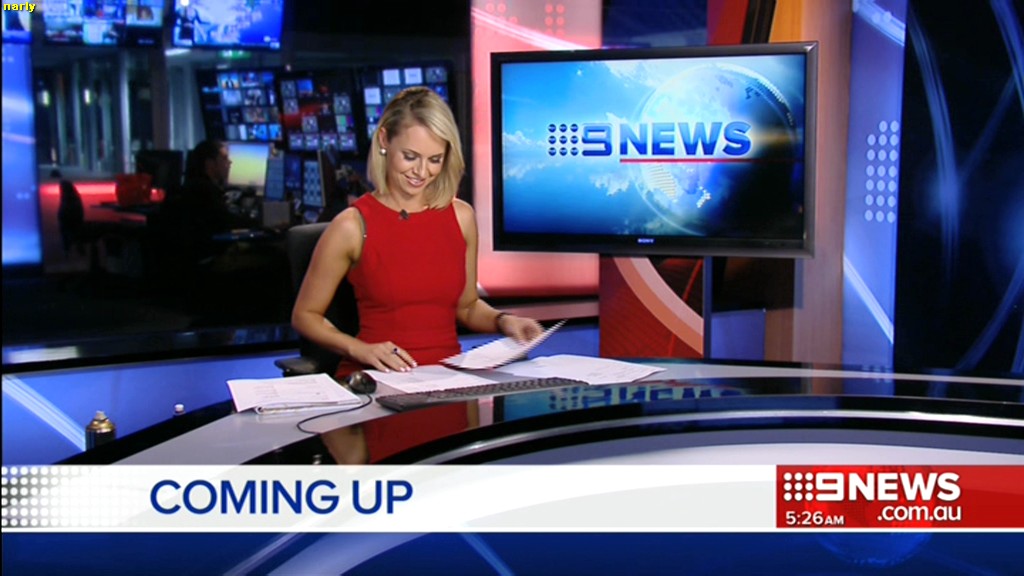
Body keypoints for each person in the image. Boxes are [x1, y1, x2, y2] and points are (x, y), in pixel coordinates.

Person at [293, 87, 543, 462]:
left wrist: (504, 321)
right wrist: (359, 349)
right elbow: (305, 315)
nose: (421, 172)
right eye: (410, 157)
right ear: (384, 141)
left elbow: (466, 307)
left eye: (434, 160)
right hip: (376, 385)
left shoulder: (461, 217)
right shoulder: (351, 226)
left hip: (449, 386)